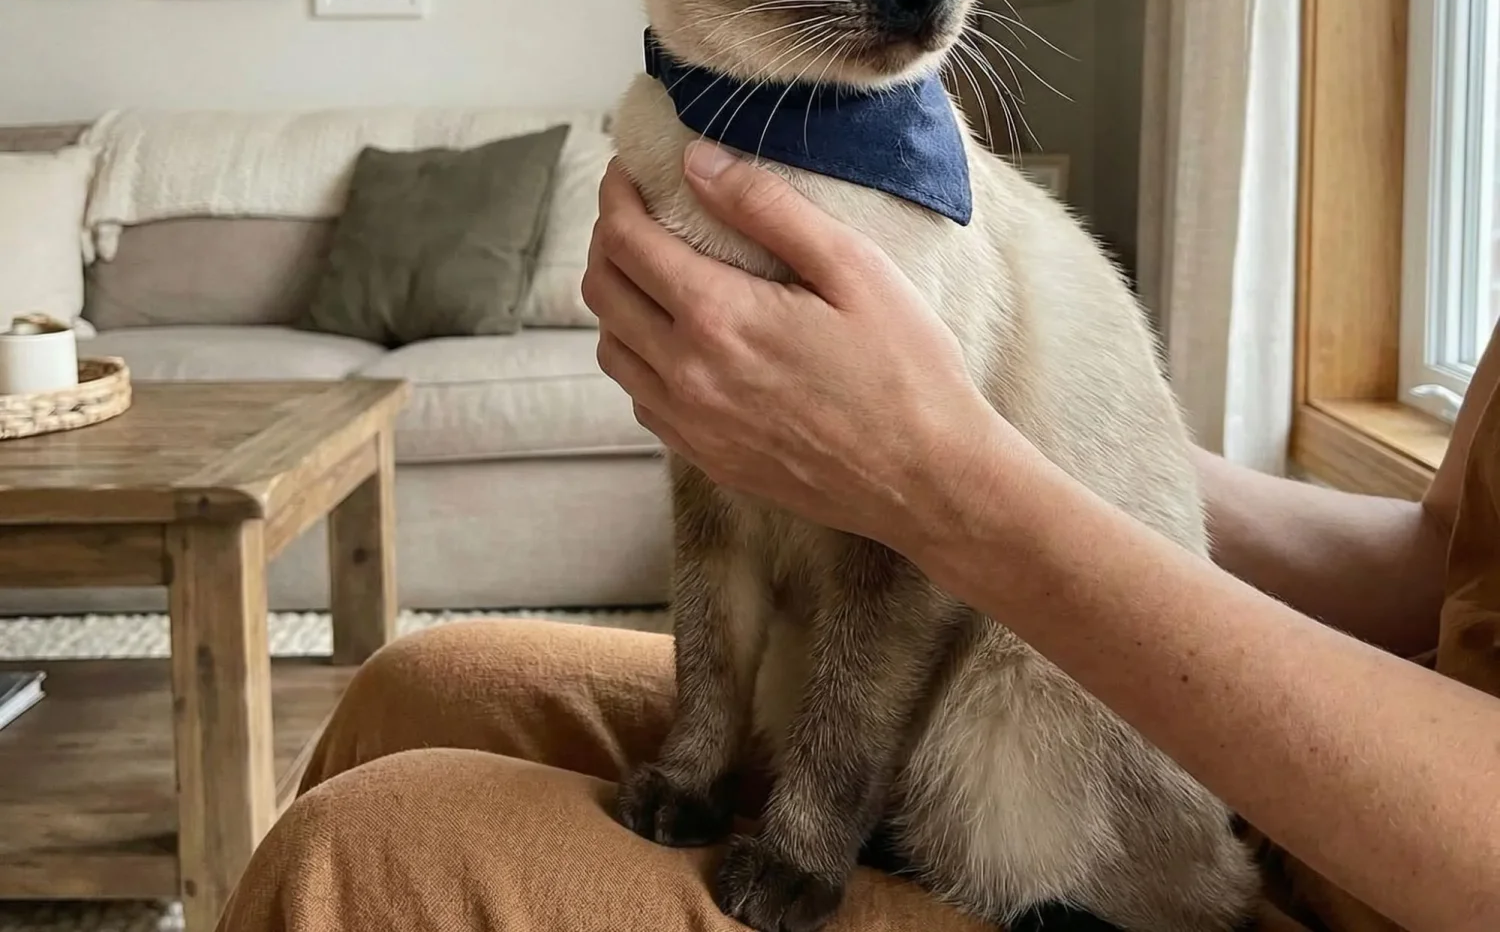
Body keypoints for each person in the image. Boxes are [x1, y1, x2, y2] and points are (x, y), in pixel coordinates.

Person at [217, 147, 1500, 932]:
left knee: (362, 860)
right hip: (1317, 802)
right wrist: (1039, 402)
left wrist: (948, 480)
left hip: (1228, 873)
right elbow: (1441, 562)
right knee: (420, 683)